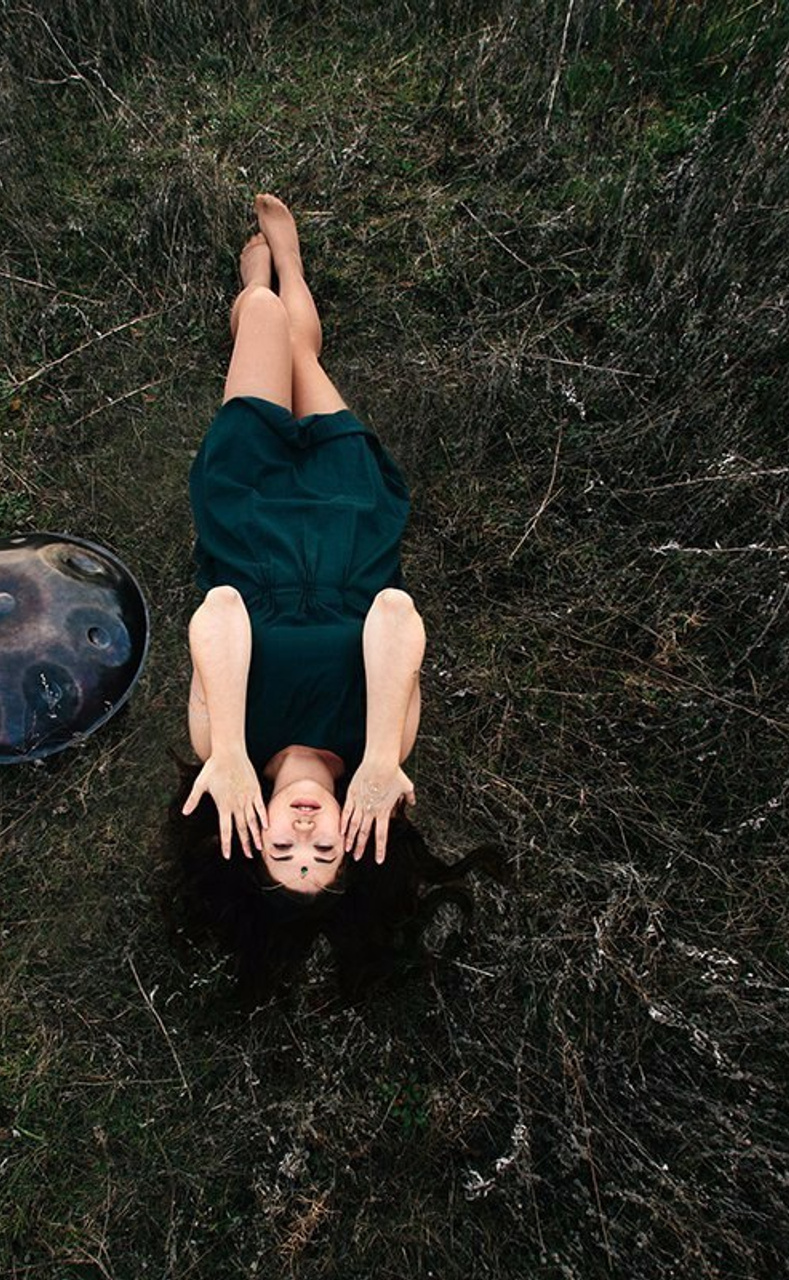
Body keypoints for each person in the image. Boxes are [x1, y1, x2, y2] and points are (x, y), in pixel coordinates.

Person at [167, 195, 501, 1000]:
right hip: (349, 528)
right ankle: (289, 266)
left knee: (262, 321)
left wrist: (231, 753)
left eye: (283, 852)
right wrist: (380, 757)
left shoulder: (224, 746)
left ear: (252, 835)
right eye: (325, 855)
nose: (305, 836)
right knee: (299, 352)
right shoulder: (383, 745)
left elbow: (220, 613)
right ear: (359, 841)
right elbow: (394, 615)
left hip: (248, 520)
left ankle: (261, 286)